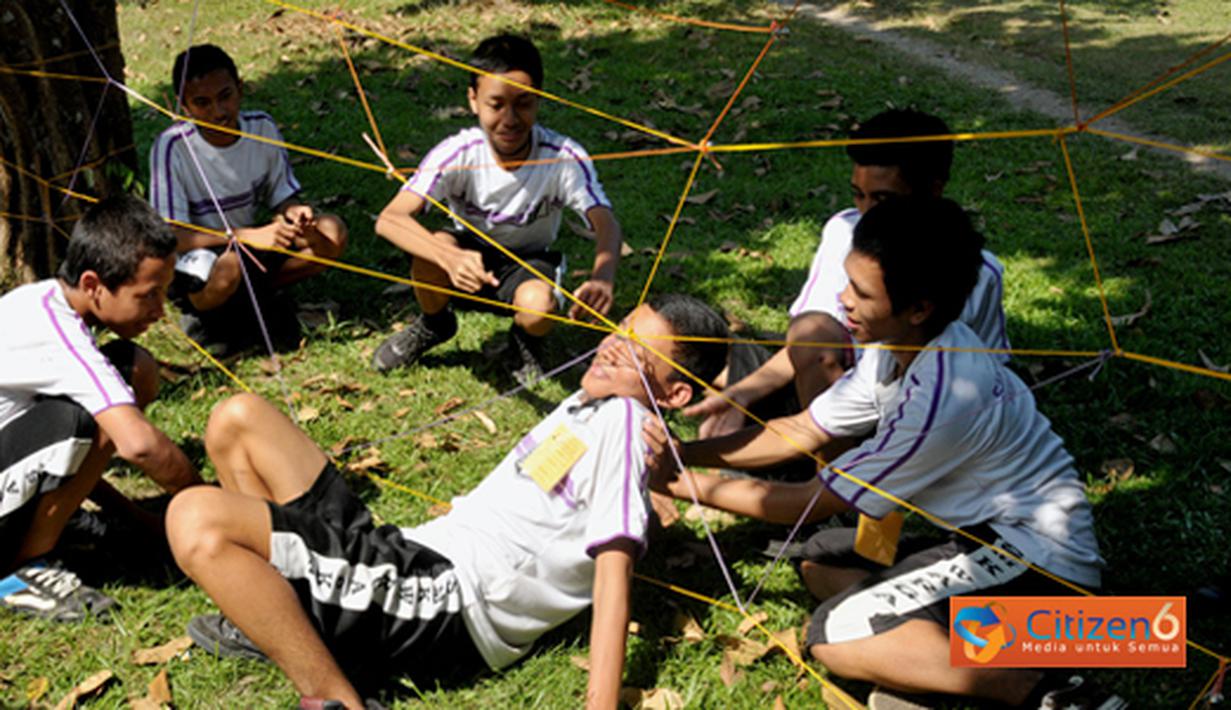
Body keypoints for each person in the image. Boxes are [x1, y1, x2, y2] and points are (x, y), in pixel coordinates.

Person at [645, 198, 1123, 708]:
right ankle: (946, 654)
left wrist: (672, 482)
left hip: (1037, 561)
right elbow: (804, 429)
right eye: (848, 281)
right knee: (820, 562)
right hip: (975, 540)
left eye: (862, 292)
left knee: (832, 636)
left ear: (919, 308)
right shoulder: (895, 348)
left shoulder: (944, 395)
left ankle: (1047, 684)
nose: (842, 299)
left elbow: (808, 498)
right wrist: (685, 453)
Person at [165, 294, 728, 709]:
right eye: (619, 330)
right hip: (410, 556)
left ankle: (337, 697)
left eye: (636, 354)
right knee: (235, 420)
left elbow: (613, 573)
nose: (611, 347)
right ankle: (280, 618)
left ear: (675, 392)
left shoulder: (626, 422)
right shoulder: (596, 402)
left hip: (448, 602)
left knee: (196, 519)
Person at [686, 109, 1010, 444]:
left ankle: (840, 477)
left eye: (883, 199)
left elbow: (983, 382)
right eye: (858, 194)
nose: (866, 211)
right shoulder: (845, 230)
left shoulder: (974, 273)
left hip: (923, 419)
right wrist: (745, 393)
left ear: (933, 189)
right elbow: (812, 337)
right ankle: (828, 466)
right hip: (838, 395)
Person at [372, 34, 624, 384]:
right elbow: (390, 219)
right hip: (466, 256)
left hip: (528, 262)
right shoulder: (458, 152)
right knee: (430, 252)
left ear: (540, 100)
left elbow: (605, 221)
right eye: (496, 104)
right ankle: (435, 324)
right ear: (473, 100)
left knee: (538, 307)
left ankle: (525, 342)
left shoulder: (563, 157)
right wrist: (449, 259)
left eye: (524, 103)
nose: (509, 119)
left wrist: (603, 276)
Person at [0, 195, 202, 621]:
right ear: (93, 285)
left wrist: (130, 516)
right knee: (85, 418)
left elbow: (76, 454)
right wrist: (211, 505)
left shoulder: (49, 303)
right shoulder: (54, 332)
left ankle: (50, 526)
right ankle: (22, 568)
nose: (160, 310)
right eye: (148, 295)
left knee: (132, 370)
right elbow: (139, 446)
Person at [149, 43, 348, 354]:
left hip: (253, 247)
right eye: (202, 102)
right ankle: (207, 309)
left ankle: (255, 296)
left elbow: (282, 196)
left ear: (240, 89)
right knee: (227, 270)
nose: (218, 111)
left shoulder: (261, 127)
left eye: (225, 96)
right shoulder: (172, 147)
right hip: (203, 256)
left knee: (331, 232)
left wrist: (295, 213)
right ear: (183, 105)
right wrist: (249, 236)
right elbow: (170, 236)